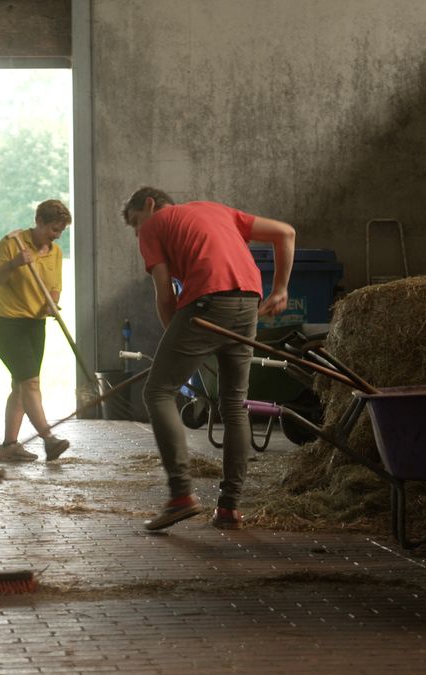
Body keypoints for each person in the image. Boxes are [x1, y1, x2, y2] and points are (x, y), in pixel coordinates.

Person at [122, 187, 295, 531]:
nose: (138, 231)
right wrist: (280, 289)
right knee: (234, 404)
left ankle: (180, 495)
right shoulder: (216, 210)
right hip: (248, 302)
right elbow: (286, 232)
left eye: (136, 222)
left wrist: (176, 337)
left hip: (206, 301)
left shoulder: (155, 226)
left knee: (158, 391)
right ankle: (229, 507)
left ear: (150, 205)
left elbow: (164, 292)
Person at [0, 199, 73, 462]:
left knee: (21, 385)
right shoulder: (11, 243)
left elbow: (54, 287)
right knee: (30, 383)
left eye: (61, 231)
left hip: (35, 325)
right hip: (6, 325)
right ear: (39, 222)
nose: (56, 235)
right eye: (53, 229)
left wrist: (51, 304)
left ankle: (9, 447)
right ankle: (49, 439)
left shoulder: (55, 252)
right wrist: (14, 263)